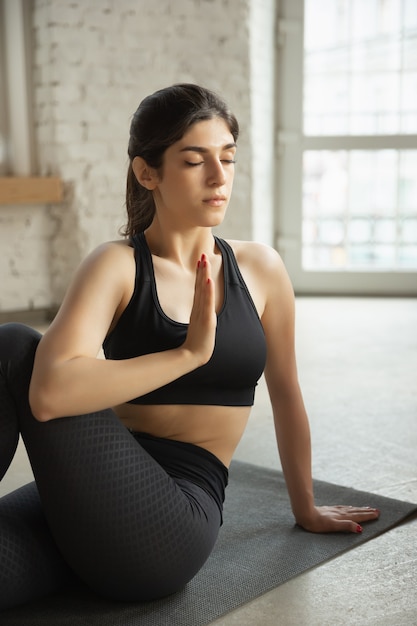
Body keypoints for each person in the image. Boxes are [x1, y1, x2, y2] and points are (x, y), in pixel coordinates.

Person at [0, 84, 380, 611]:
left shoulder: (261, 269)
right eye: (195, 161)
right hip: (91, 491)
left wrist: (306, 506)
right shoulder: (116, 266)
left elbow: (287, 392)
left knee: (15, 344)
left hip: (170, 522)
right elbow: (53, 392)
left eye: (227, 159)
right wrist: (185, 353)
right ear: (147, 173)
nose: (219, 177)